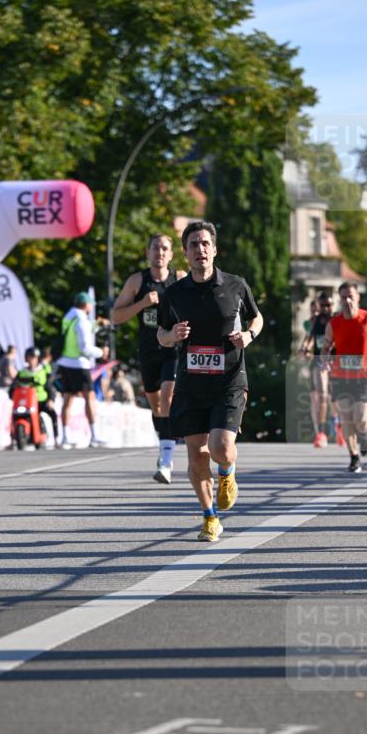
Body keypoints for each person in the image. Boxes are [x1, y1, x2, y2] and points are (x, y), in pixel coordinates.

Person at [157, 221, 263, 542]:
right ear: (185, 252)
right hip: (191, 384)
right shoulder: (174, 293)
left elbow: (257, 317)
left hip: (229, 380)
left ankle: (227, 472)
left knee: (220, 447)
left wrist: (249, 335)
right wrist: (172, 335)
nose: (200, 249)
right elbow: (161, 334)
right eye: (193, 245)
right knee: (196, 455)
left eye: (205, 244)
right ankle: (210, 517)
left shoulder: (235, 285)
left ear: (214, 250)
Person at [112, 234, 186, 484]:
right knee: (156, 406)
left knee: (167, 397)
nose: (160, 252)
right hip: (148, 350)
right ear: (148, 252)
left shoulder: (180, 278)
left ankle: (166, 460)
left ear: (171, 254)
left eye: (165, 248)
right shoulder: (137, 281)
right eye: (156, 248)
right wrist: (142, 303)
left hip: (173, 347)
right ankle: (165, 439)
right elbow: (116, 316)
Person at [320, 282, 367, 473]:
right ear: (339, 300)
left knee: (360, 419)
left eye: (350, 296)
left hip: (364, 376)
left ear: (358, 297)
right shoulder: (334, 323)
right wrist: (325, 359)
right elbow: (326, 347)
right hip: (341, 376)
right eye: (343, 297)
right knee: (346, 419)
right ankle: (354, 457)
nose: (347, 300)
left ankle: (364, 433)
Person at [57, 291, 106, 449]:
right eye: (90, 304)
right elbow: (84, 347)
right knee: (89, 398)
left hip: (64, 362)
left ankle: (65, 437)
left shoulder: (69, 317)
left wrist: (96, 325)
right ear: (86, 305)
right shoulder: (82, 320)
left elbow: (76, 333)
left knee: (67, 399)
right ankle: (95, 436)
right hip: (79, 364)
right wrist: (101, 353)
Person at [298, 292, 334, 447]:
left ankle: (338, 424)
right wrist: (304, 348)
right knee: (321, 395)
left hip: (336, 363)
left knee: (335, 399)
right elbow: (309, 338)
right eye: (322, 305)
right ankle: (321, 433)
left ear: (332, 305)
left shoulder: (337, 320)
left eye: (328, 305)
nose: (325, 308)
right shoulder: (315, 321)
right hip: (319, 362)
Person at [10, 346, 58, 445]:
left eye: (34, 357)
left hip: (41, 401)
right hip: (26, 402)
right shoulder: (22, 372)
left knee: (52, 414)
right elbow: (13, 387)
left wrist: (51, 400)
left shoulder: (42, 371)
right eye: (30, 357)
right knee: (14, 415)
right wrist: (12, 396)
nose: (32, 359)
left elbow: (49, 387)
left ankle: (56, 438)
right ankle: (13, 439)